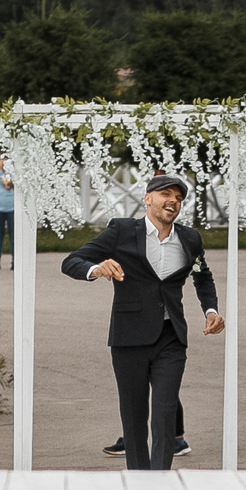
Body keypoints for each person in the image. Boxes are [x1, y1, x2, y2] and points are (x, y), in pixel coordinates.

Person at [62, 174, 221, 472]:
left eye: (178, 197)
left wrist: (210, 309)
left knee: (164, 412)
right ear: (147, 198)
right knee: (134, 418)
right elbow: (71, 261)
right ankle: (138, 481)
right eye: (165, 194)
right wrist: (97, 268)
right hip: (128, 338)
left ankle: (159, 480)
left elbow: (202, 275)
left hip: (170, 338)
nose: (173, 200)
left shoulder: (189, 238)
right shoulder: (121, 231)